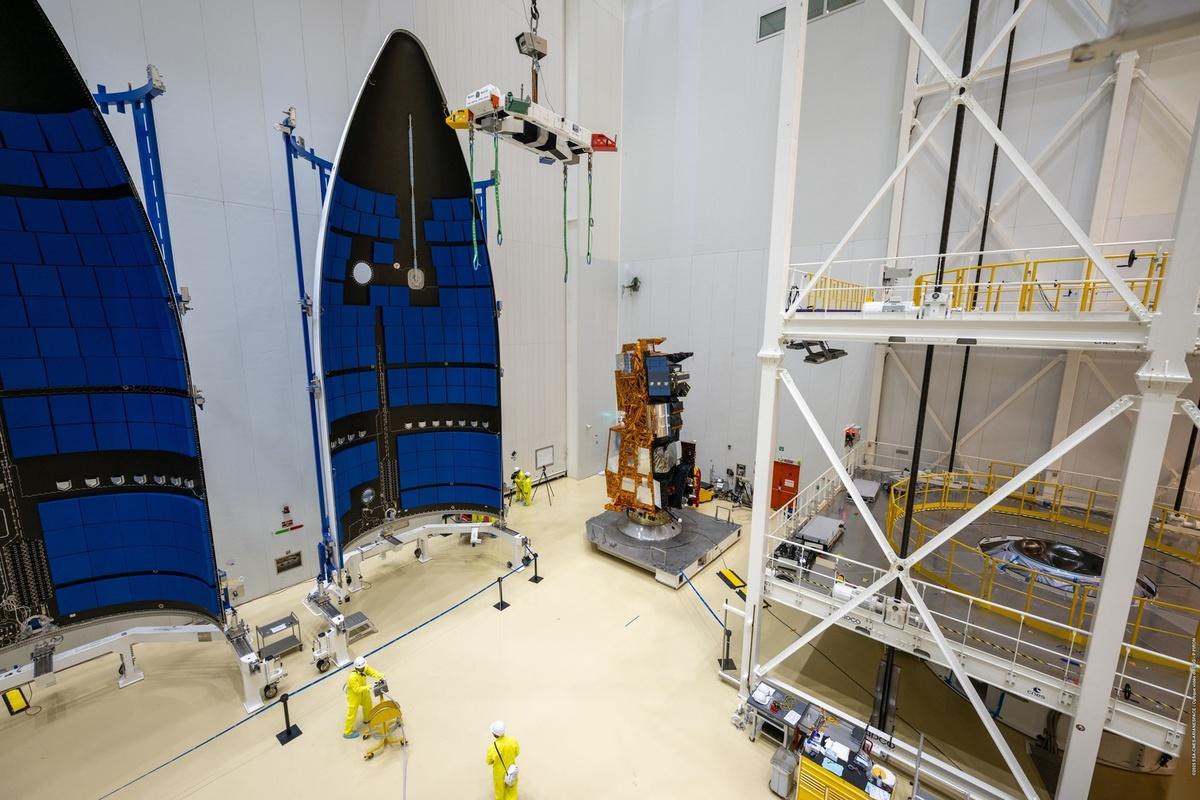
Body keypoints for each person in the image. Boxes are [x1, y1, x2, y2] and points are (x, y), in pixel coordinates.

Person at [343, 656, 384, 738]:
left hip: (364, 692)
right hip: (354, 696)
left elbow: (371, 671)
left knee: (368, 704)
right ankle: (347, 732)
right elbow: (357, 689)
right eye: (361, 668)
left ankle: (367, 719)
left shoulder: (364, 668)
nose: (363, 668)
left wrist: (380, 676)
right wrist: (370, 686)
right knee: (352, 713)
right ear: (357, 667)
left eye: (363, 667)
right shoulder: (352, 677)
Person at [485, 720, 520, 800]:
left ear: (494, 734)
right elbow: (517, 752)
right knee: (512, 791)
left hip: (498, 774)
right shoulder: (513, 741)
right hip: (511, 771)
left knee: (499, 792)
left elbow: (489, 761)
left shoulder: (492, 747)